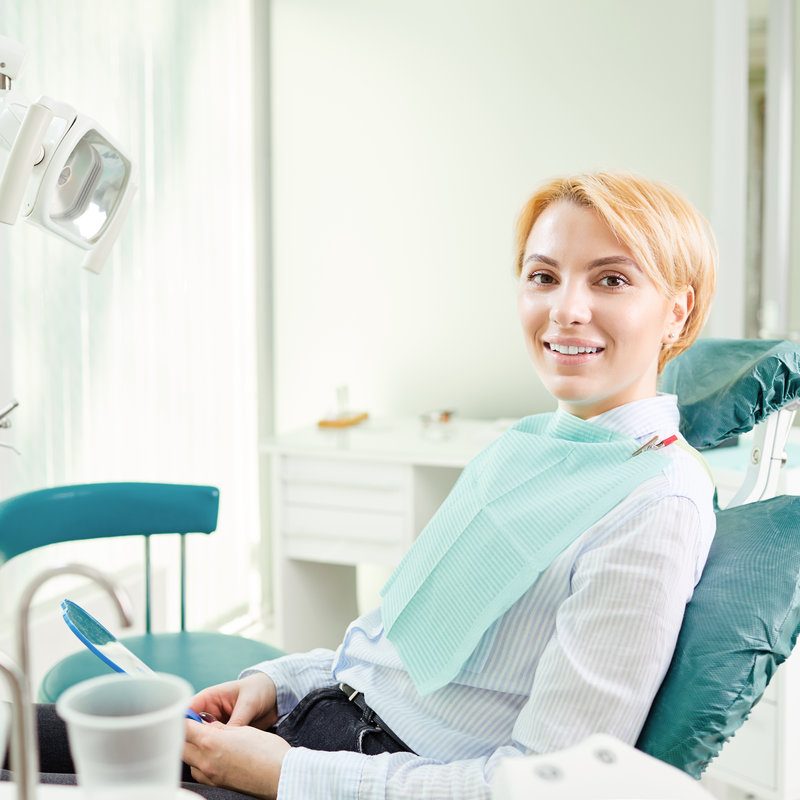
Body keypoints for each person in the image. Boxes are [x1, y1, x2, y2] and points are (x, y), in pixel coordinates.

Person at [13, 172, 718, 800]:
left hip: (348, 775)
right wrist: (277, 683)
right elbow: (394, 649)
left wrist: (285, 775)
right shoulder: (532, 448)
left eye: (611, 280)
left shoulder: (655, 503)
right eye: (543, 276)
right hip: (310, 725)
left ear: (678, 312)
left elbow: (543, 787)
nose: (566, 309)